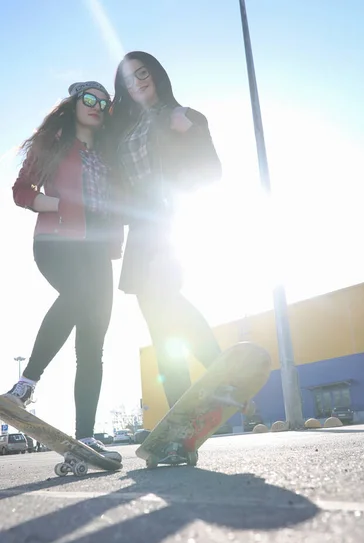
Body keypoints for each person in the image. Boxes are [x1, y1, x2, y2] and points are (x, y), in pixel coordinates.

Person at [5, 81, 124, 461]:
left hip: (97, 251)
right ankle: (25, 386)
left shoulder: (108, 151)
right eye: (90, 99)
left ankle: (85, 437)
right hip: (56, 241)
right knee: (78, 297)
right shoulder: (56, 141)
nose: (97, 106)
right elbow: (21, 190)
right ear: (74, 104)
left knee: (93, 344)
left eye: (104, 103)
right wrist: (58, 204)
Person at [109, 51, 223, 415]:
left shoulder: (180, 116)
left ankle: (219, 369)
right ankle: (181, 412)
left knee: (167, 299)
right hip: (141, 228)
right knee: (157, 321)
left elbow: (211, 172)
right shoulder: (124, 128)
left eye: (142, 73)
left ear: (156, 74)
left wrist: (192, 131)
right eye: (128, 80)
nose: (137, 82)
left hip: (169, 220)